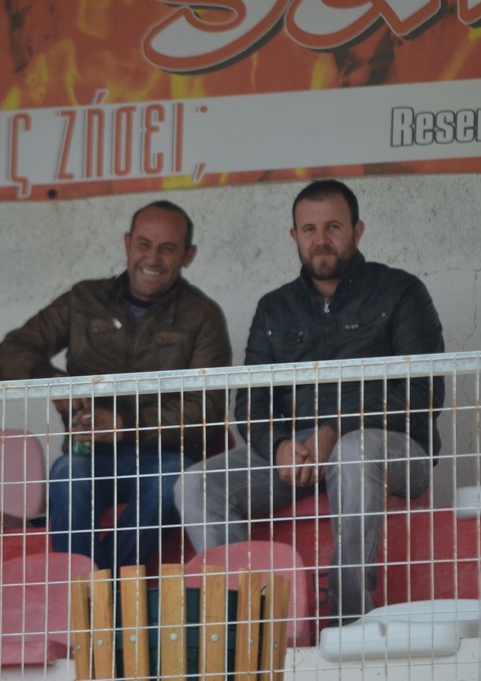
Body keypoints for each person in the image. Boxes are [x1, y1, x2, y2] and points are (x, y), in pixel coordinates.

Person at [177, 179, 444, 625]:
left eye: (333, 227)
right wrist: (278, 445)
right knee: (196, 484)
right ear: (294, 236)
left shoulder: (401, 292)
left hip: (394, 450)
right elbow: (250, 402)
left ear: (358, 231)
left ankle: (350, 621)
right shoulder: (275, 308)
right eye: (309, 229)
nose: (321, 239)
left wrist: (336, 432)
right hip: (300, 453)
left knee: (355, 451)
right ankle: (246, 623)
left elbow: (424, 393)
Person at [0, 200, 232, 571]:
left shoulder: (203, 316)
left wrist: (124, 425)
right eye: (144, 244)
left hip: (165, 456)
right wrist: (49, 380)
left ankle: (96, 594)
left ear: (189, 255)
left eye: (168, 248)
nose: (152, 258)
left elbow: (208, 408)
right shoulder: (84, 299)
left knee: (173, 479)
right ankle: (101, 593)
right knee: (66, 474)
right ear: (127, 243)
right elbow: (8, 352)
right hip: (90, 453)